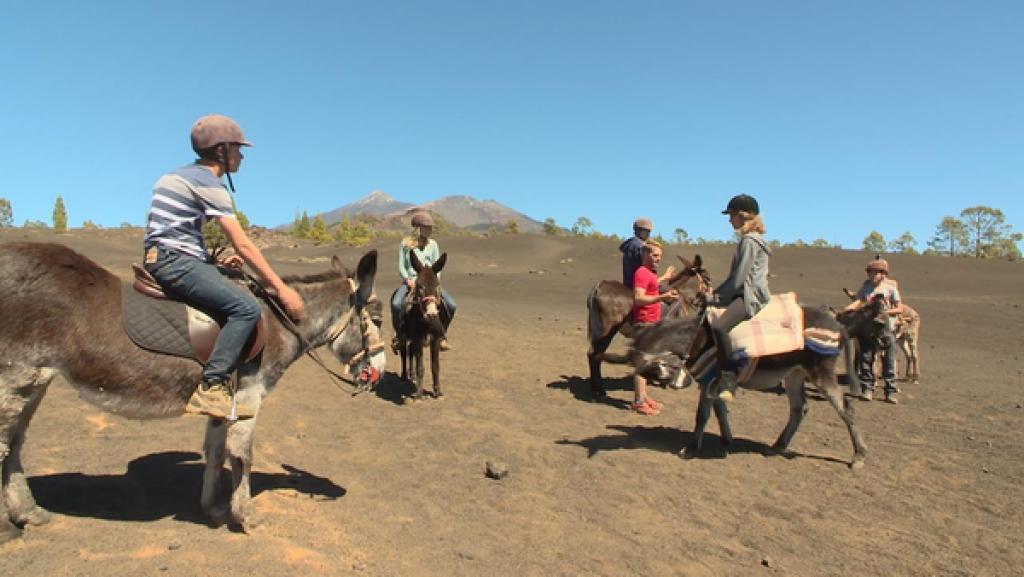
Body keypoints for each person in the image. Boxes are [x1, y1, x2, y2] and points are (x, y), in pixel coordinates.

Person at [143, 114, 305, 419]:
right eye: (237, 149)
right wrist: (282, 289)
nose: (241, 155)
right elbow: (243, 244)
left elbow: (172, 231)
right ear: (221, 151)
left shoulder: (176, 176)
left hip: (166, 256)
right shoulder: (208, 183)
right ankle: (212, 386)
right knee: (246, 308)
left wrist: (212, 262)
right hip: (173, 261)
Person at [707, 194, 771, 402]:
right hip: (747, 293)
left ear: (741, 215)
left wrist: (713, 297)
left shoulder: (749, 241)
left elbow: (738, 279)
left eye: (731, 215)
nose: (729, 220)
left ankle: (728, 379)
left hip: (750, 297)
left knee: (718, 327)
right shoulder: (754, 240)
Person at [391, 211, 456, 351]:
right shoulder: (405, 244)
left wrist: (435, 283)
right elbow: (401, 266)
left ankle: (441, 336)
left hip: (430, 284)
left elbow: (437, 267)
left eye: (430, 227)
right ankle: (398, 336)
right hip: (411, 282)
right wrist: (407, 279)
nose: (430, 230)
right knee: (396, 304)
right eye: (427, 227)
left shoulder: (433, 245)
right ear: (418, 228)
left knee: (451, 305)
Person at [842, 257, 904, 403]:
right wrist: (847, 309)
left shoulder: (890, 289)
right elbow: (859, 301)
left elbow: (900, 308)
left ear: (883, 274)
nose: (872, 275)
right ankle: (867, 389)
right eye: (870, 272)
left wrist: (886, 313)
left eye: (876, 272)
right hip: (867, 330)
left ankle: (890, 392)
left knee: (888, 360)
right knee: (866, 359)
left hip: (885, 329)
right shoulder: (866, 288)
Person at [630, 241, 679, 415]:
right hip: (645, 323)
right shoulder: (642, 273)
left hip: (651, 322)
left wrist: (663, 279)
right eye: (655, 255)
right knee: (642, 362)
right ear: (645, 254)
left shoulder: (648, 273)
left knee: (648, 361)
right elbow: (638, 298)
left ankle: (644, 396)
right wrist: (662, 296)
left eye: (660, 256)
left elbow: (650, 286)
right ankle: (638, 401)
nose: (658, 259)